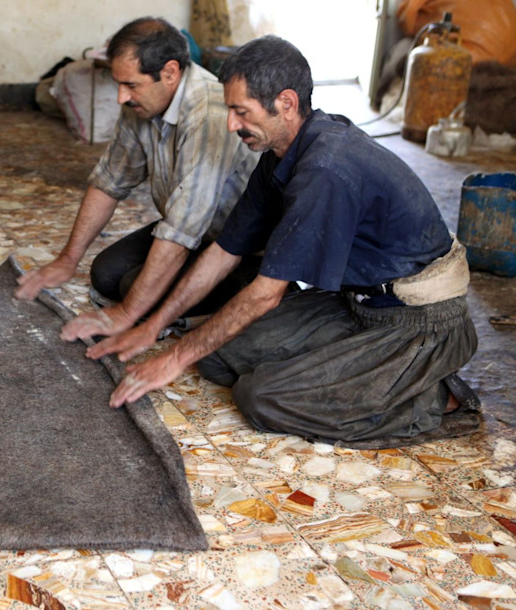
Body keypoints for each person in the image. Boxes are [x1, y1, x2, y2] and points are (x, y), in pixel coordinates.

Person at [94, 34, 479, 444]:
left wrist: (173, 358)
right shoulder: (280, 154)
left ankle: (435, 394)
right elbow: (225, 251)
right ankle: (349, 370)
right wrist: (154, 326)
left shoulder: (326, 168)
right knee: (218, 358)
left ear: (287, 104)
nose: (231, 124)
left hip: (418, 324)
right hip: (358, 304)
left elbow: (265, 294)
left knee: (261, 397)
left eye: (241, 112)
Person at [14, 17, 258, 344]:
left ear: (170, 72)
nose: (121, 97)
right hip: (193, 229)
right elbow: (109, 181)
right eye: (119, 84)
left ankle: (249, 298)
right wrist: (67, 260)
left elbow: (182, 230)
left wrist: (127, 314)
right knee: (105, 274)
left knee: (135, 293)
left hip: (236, 247)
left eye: (130, 85)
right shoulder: (143, 102)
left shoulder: (208, 116)